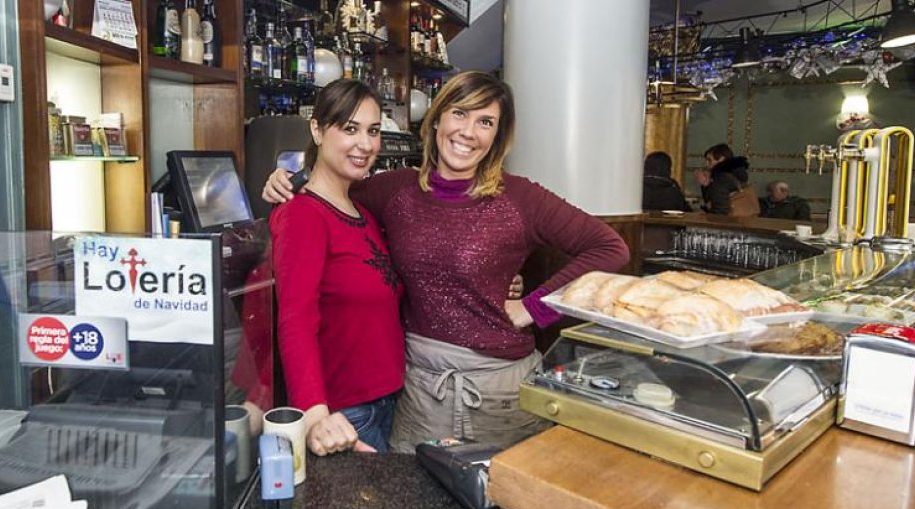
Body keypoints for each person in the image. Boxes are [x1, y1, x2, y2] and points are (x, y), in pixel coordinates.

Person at [265, 71, 629, 453]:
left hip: (500, 394)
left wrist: (534, 306)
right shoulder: (395, 190)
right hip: (418, 391)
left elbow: (610, 248)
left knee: (500, 506)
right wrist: (285, 181)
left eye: (485, 122)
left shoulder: (522, 198)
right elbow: (331, 183)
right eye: (460, 113)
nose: (469, 131)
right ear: (437, 119)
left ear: (498, 136)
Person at [270, 79, 404, 455]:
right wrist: (315, 417)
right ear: (316, 129)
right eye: (349, 128)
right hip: (345, 414)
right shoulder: (302, 215)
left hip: (387, 401)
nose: (365, 144)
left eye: (373, 131)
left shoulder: (362, 211)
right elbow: (295, 319)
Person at [693, 143, 753, 215]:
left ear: (721, 159)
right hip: (746, 221)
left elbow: (719, 211)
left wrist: (706, 186)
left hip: (728, 222)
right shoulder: (737, 174)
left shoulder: (721, 178)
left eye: (709, 160)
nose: (706, 164)